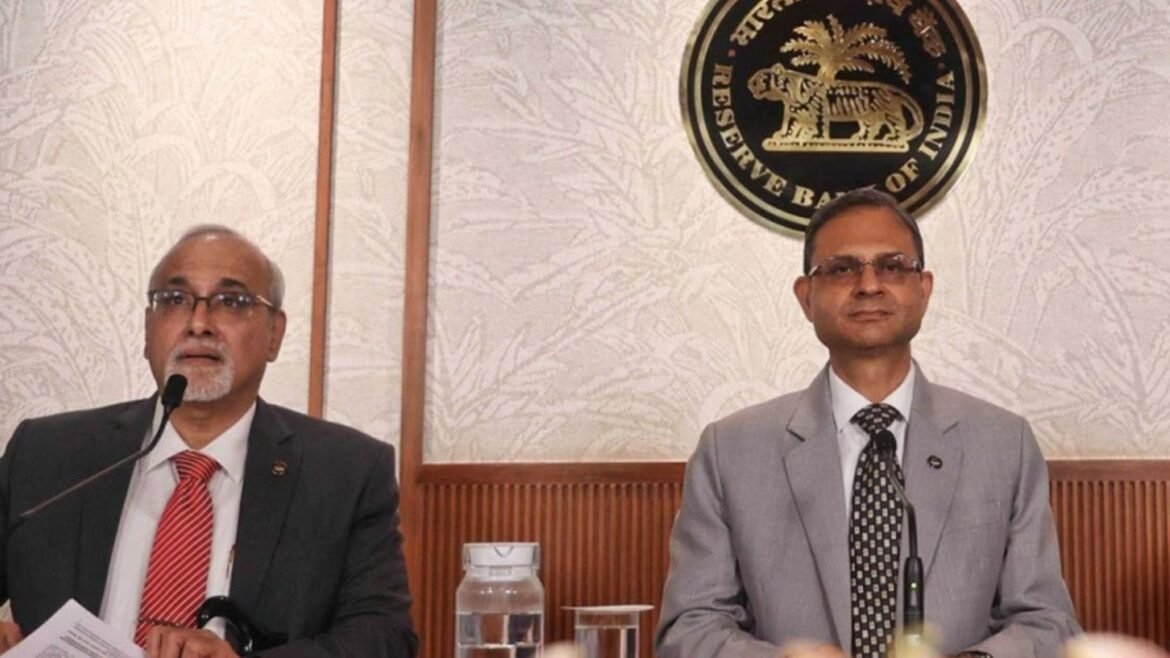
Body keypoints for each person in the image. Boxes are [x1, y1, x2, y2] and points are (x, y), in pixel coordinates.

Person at [655, 189, 1080, 658]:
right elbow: (689, 630)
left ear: (924, 290)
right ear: (806, 297)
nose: (869, 284)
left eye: (893, 266)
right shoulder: (731, 451)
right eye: (842, 269)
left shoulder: (1003, 444)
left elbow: (1048, 623)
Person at [0, 226, 418, 658]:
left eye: (231, 301)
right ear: (148, 328)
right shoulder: (44, 454)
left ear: (275, 333)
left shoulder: (346, 473)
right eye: (174, 300)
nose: (198, 324)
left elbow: (385, 636)